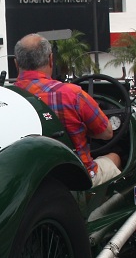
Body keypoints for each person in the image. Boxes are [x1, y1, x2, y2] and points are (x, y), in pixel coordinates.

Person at [14, 33, 122, 186]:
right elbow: (107, 133)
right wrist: (83, 129)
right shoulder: (71, 94)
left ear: (16, 63)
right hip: (77, 177)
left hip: (27, 177)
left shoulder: (5, 95)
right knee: (115, 158)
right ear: (51, 59)